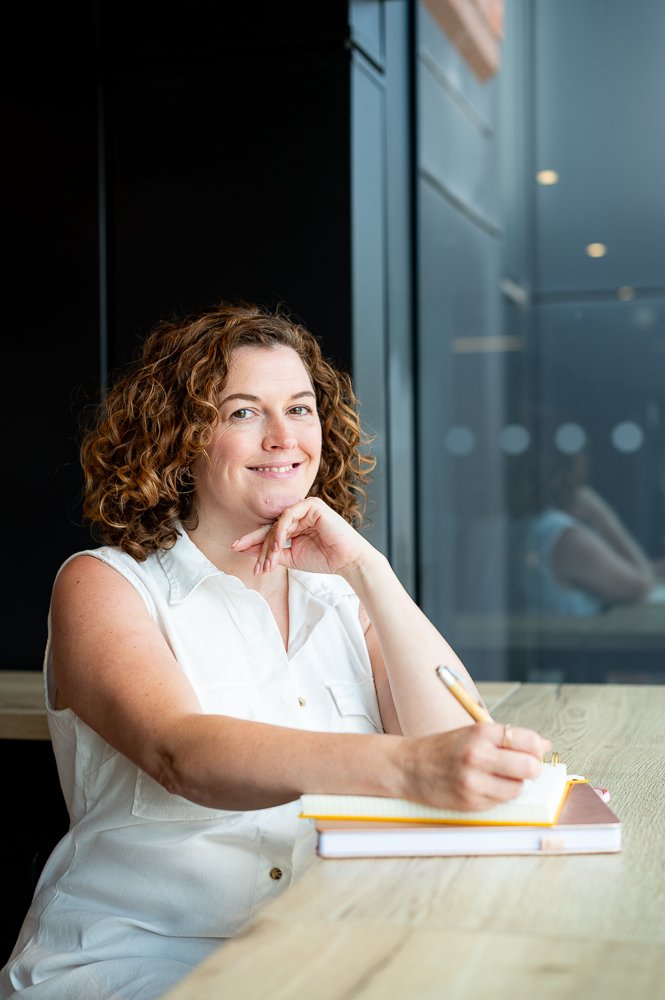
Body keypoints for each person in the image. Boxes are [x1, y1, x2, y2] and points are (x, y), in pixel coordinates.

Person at [0, 301, 550, 1000]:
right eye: (241, 413)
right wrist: (405, 766)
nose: (283, 437)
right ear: (178, 436)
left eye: (299, 408)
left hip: (323, 954)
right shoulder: (105, 584)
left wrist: (368, 571)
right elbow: (181, 752)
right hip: (142, 963)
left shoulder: (342, 596)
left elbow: (454, 743)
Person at [506, 433, 657, 616]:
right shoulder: (563, 537)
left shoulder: (495, 527)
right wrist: (602, 515)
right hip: (568, 644)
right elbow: (641, 586)